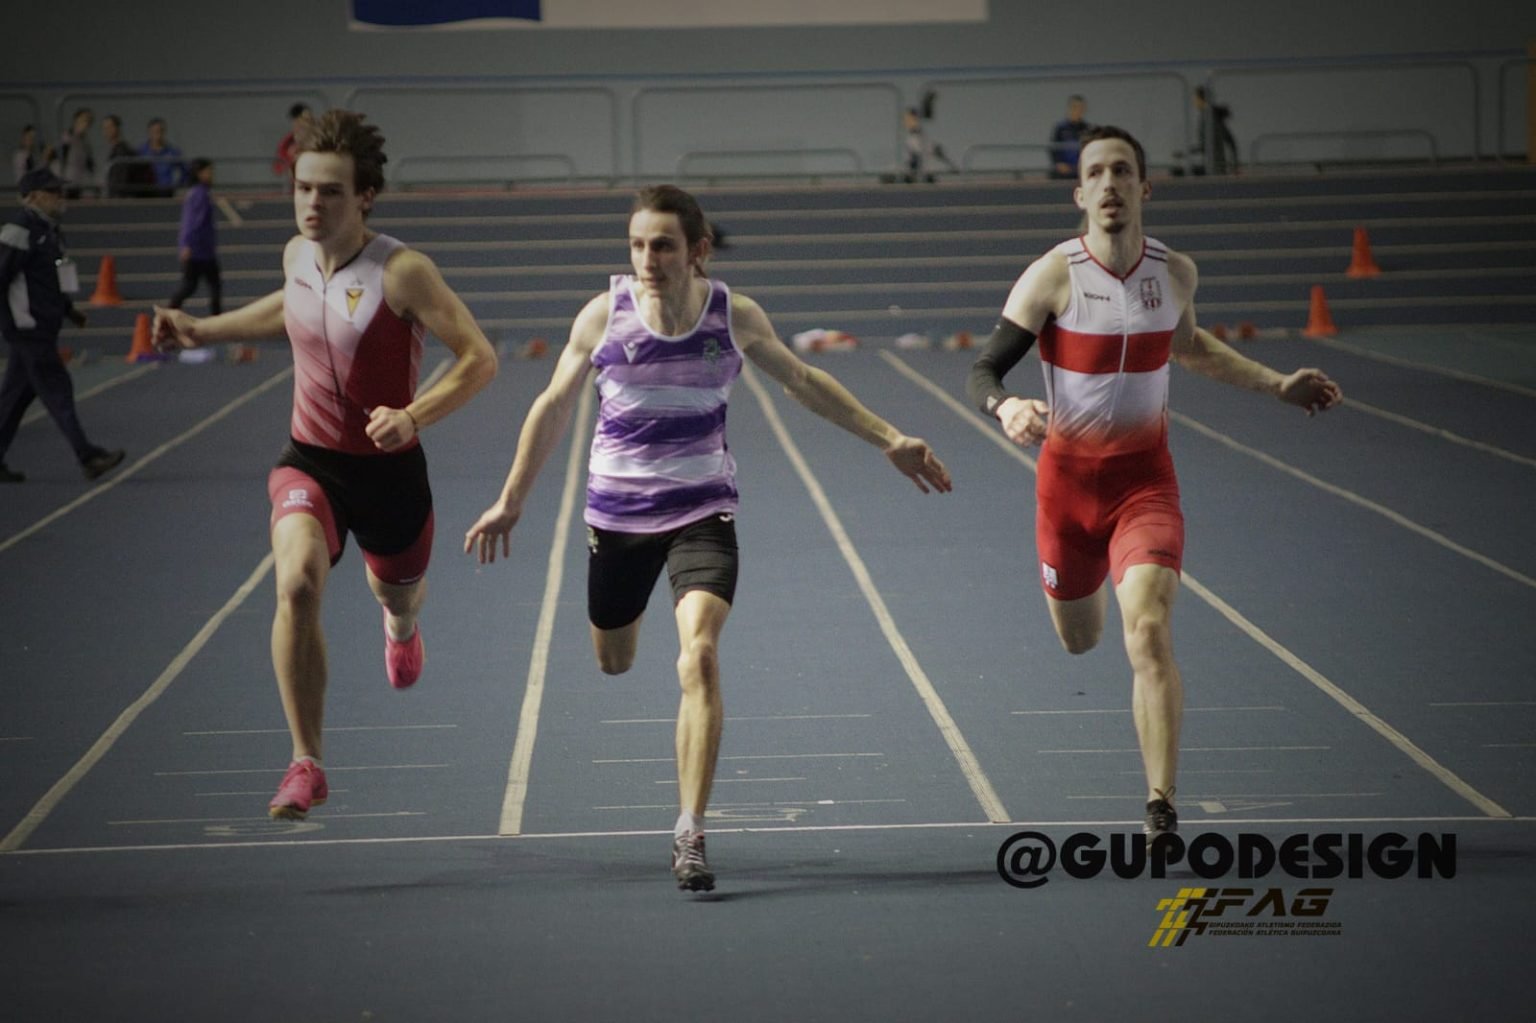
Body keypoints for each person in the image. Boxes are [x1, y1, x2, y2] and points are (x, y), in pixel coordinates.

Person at [464, 184, 952, 892]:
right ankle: (632, 629)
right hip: (617, 518)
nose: (647, 259)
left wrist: (889, 438)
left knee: (699, 656)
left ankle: (689, 829)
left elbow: (803, 380)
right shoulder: (604, 315)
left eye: (662, 245)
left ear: (698, 250)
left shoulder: (733, 315)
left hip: (702, 510)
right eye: (637, 245)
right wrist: (512, 500)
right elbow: (553, 404)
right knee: (613, 659)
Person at [964, 126, 1341, 842]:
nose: (1109, 183)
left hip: (1145, 486)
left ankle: (1161, 806)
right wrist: (1006, 405)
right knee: (1081, 640)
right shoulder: (1051, 275)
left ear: (1144, 187)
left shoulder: (1174, 275)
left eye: (1122, 171)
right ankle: (1098, 579)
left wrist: (1275, 384)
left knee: (1148, 630)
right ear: (1080, 195)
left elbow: (1190, 346)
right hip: (1066, 493)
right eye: (1095, 173)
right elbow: (983, 369)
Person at [152, 111, 498, 819]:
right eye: (303, 188)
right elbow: (291, 309)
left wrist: (413, 416)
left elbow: (479, 358)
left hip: (389, 471)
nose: (313, 204)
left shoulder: (403, 272)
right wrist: (203, 327)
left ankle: (400, 629)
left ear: (364, 196)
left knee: (398, 595)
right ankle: (305, 761)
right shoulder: (297, 256)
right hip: (309, 461)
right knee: (298, 584)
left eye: (331, 191)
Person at [0, 167, 125, 483]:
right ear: (33, 197)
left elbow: (49, 281)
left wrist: (69, 311)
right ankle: (88, 456)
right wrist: (11, 324)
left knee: (14, 398)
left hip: (39, 327)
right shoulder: (18, 232)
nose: (60, 196)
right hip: (28, 330)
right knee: (58, 390)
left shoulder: (50, 231)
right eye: (53, 192)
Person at [167, 159, 221, 315]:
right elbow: (193, 223)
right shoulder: (200, 194)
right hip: (200, 251)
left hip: (202, 250)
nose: (211, 175)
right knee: (194, 286)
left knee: (208, 285)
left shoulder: (194, 192)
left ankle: (170, 313)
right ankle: (169, 313)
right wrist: (187, 245)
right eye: (208, 171)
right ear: (200, 174)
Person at [1194, 86, 1239, 176]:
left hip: (1216, 168)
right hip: (1214, 165)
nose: (1194, 102)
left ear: (1201, 99)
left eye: (1196, 99)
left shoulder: (1210, 117)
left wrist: (1234, 164)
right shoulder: (1209, 115)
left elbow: (1210, 143)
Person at [137, 118, 185, 196]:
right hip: (146, 193)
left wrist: (178, 185)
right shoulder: (141, 152)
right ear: (149, 132)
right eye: (154, 131)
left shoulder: (172, 152)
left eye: (160, 131)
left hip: (166, 192)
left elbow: (185, 170)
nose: (157, 134)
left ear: (164, 132)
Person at [55, 108, 95, 198]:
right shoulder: (67, 137)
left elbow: (90, 165)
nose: (86, 123)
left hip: (78, 184)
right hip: (66, 184)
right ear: (76, 120)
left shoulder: (85, 142)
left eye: (89, 121)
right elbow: (60, 159)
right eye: (84, 120)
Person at [1048, 95, 1089, 180]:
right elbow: (1053, 148)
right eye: (1074, 107)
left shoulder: (1086, 128)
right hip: (1063, 170)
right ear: (1069, 108)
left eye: (1080, 108)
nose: (1077, 110)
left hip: (1080, 169)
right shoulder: (1060, 128)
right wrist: (1059, 163)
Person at [273, 103, 315, 184]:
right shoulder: (286, 144)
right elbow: (279, 169)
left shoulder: (319, 141)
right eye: (305, 120)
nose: (309, 124)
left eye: (310, 120)